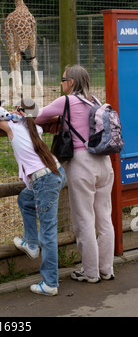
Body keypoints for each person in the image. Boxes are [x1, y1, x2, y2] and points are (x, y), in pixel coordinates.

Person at [35, 65, 115, 283]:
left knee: (84, 219)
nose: (61, 84)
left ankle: (90, 272)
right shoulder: (97, 101)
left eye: (63, 80)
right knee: (104, 219)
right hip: (105, 163)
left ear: (71, 82)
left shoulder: (66, 101)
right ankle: (106, 269)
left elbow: (37, 116)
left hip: (82, 164)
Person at [0, 99, 66, 296]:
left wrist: (8, 116)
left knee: (48, 232)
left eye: (14, 108)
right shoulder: (35, 128)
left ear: (18, 111)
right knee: (25, 200)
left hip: (45, 181)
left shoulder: (12, 127)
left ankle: (50, 283)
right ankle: (30, 242)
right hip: (56, 173)